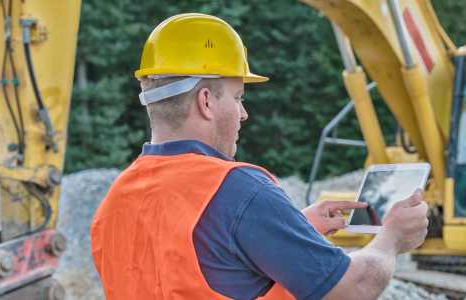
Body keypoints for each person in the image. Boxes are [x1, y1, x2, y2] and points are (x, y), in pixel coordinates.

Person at [90, 13, 428, 300]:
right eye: (237, 98)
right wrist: (392, 238)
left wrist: (289, 228)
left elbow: (199, 261)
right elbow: (350, 287)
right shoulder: (239, 190)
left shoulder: (114, 202)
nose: (244, 113)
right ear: (206, 102)